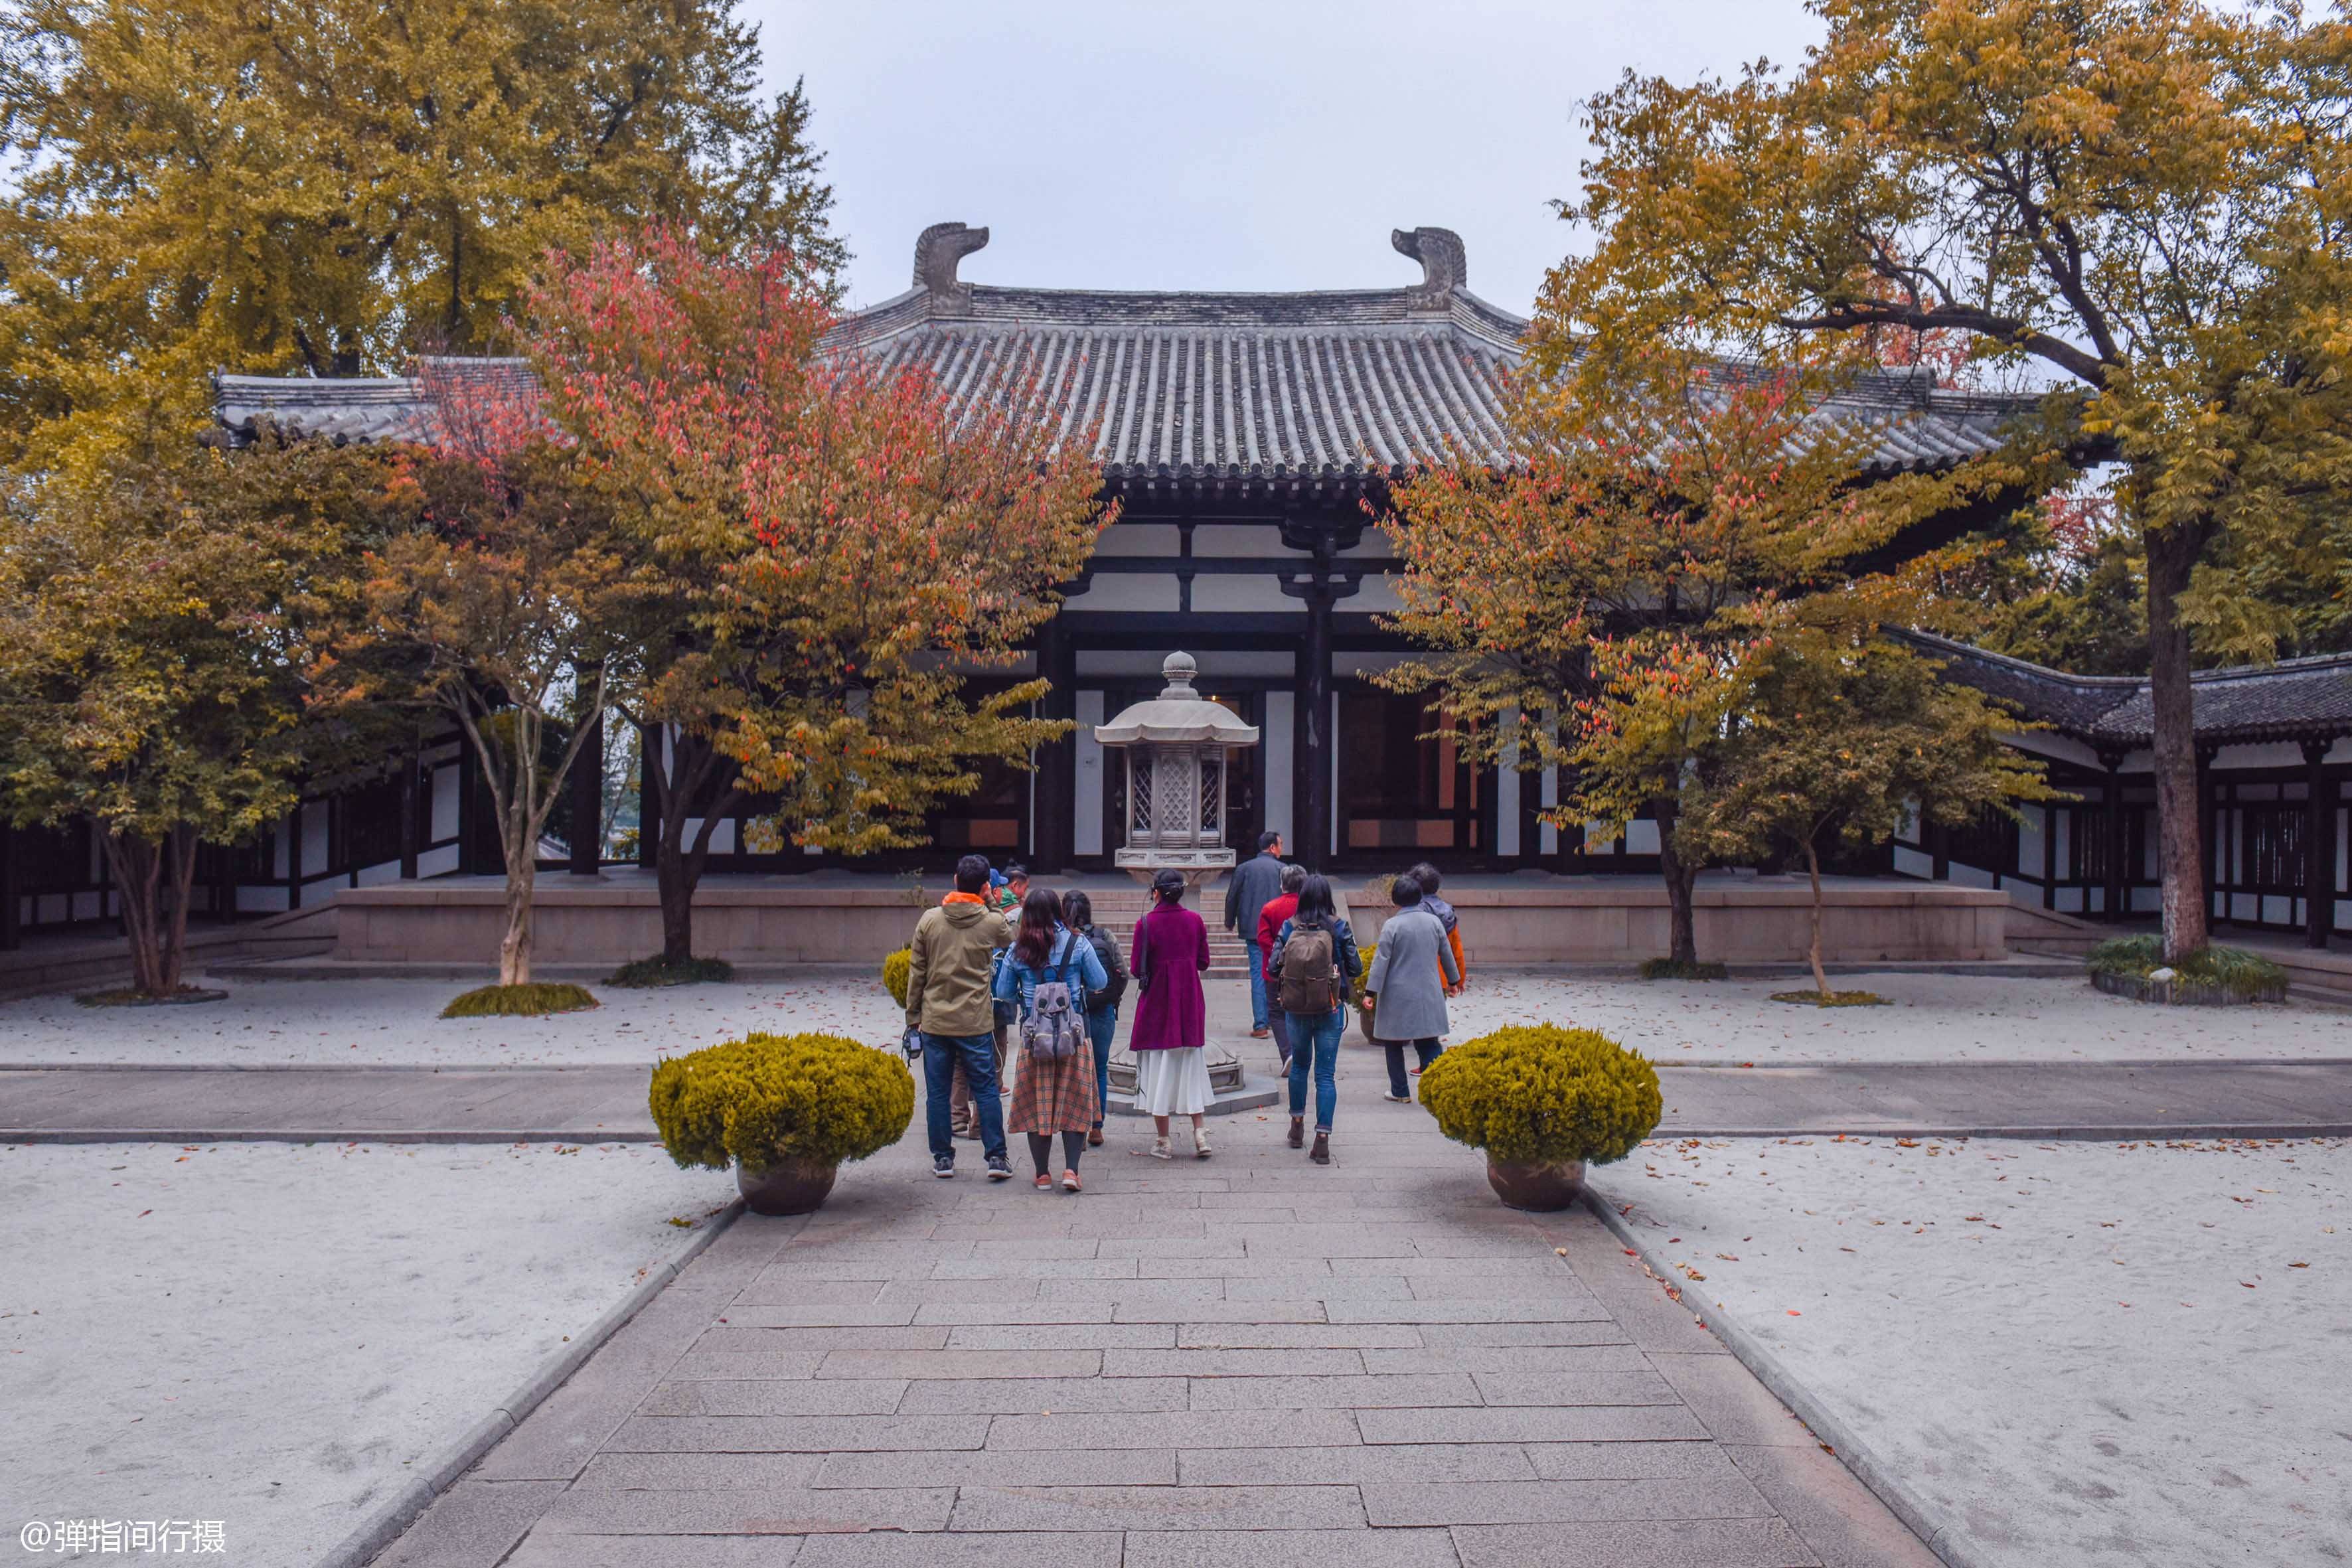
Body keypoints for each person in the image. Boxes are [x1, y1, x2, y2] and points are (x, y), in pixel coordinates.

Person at [904, 854, 1015, 1180]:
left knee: (938, 1092)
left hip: (936, 1021)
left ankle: (943, 1159)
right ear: (985, 887)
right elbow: (1009, 937)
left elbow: (917, 973)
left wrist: (914, 1015)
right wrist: (992, 903)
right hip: (975, 1022)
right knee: (986, 1089)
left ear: (955, 880)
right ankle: (996, 1157)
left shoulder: (930, 920)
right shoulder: (990, 922)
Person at [996, 886, 1109, 1192]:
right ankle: (1071, 1171)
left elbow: (1003, 992)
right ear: (1059, 911)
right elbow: (1100, 981)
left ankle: (1043, 1174)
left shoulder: (1017, 950)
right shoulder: (1078, 943)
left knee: (1038, 1103)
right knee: (1074, 1101)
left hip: (1036, 1039)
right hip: (1074, 1035)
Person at [1269, 874, 1362, 1165]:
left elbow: (1273, 967)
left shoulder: (1289, 926)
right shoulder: (1338, 927)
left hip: (1296, 1009)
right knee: (1325, 1074)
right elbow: (1356, 967)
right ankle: (1322, 1140)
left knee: (1299, 1067)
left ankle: (1297, 1126)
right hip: (1329, 1008)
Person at [1129, 867, 1214, 1158]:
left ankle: (1164, 1139)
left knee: (1158, 1067)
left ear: (1155, 892)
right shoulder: (1195, 920)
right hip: (1188, 998)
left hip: (1158, 1002)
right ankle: (1200, 1134)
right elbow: (1203, 962)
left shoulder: (1146, 924)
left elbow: (1136, 969)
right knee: (1191, 1063)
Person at [1364, 872, 1460, 1103]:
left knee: (1394, 1044)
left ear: (1395, 900)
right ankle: (1437, 1089)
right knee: (1428, 1042)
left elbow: (1381, 961)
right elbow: (1446, 953)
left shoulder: (1392, 925)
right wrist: (1454, 981)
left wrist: (1370, 993)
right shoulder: (1434, 922)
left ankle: (1400, 1091)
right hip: (1428, 990)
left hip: (1397, 994)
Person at [1061, 889, 1129, 1148]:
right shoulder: (1105, 936)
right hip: (1101, 1010)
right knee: (1099, 1068)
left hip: (1068, 1014)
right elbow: (1122, 972)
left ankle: (1074, 1125)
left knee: (1071, 1071)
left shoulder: (1059, 939)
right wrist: (1112, 998)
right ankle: (1096, 1127)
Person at [1221, 830, 1287, 1038]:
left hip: (1254, 929)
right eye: (1281, 845)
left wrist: (1230, 921)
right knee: (1281, 974)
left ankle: (1261, 1025)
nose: (1281, 849)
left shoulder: (1244, 869)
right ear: (1273, 848)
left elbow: (1232, 897)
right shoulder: (1283, 870)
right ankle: (1280, 1020)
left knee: (1259, 974)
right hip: (1280, 930)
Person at [1255, 864, 1307, 1069]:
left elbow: (1263, 939)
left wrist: (1279, 957)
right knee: (1302, 1011)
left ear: (1282, 884)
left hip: (1275, 970)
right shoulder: (1308, 908)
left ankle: (1288, 1053)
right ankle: (1300, 1052)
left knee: (1276, 1013)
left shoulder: (1270, 908)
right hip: (1305, 969)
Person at [1406, 861, 1468, 999]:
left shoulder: (1411, 912)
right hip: (1440, 980)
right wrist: (1459, 979)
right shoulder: (1448, 913)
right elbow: (1456, 950)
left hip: (1414, 979)